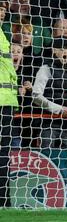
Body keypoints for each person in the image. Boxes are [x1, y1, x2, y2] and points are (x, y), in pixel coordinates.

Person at [0, 28, 18, 207]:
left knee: (4, 156)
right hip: (3, 102)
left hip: (7, 103)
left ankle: (4, 200)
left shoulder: (2, 34)